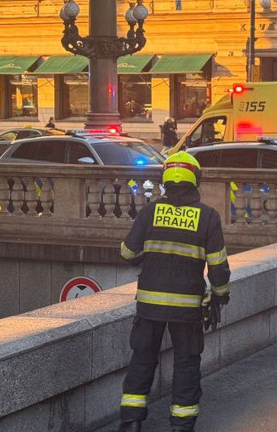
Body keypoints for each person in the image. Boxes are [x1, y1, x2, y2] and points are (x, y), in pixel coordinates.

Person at [118, 152, 231, 432]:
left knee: (142, 359)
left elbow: (127, 253)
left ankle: (131, 421)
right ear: (195, 180)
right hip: (187, 307)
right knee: (186, 363)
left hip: (149, 305)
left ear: (165, 180)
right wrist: (220, 294)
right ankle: (182, 424)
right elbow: (218, 267)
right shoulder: (207, 217)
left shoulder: (150, 211)